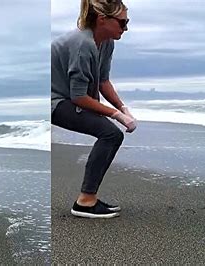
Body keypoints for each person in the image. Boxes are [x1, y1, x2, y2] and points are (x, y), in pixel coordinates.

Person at [51, 0, 136, 218]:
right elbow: (79, 97)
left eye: (127, 22)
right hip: (53, 101)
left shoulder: (106, 41)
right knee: (110, 133)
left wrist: (122, 107)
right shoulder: (83, 44)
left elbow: (103, 81)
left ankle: (88, 198)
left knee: (112, 135)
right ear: (102, 19)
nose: (125, 28)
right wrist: (115, 115)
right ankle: (85, 201)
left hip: (69, 97)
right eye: (122, 22)